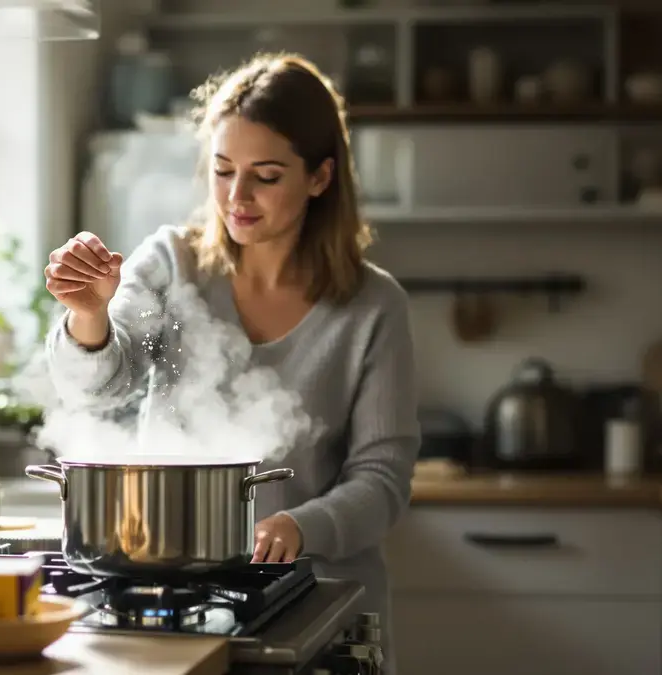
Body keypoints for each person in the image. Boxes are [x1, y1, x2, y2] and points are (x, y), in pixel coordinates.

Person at [41, 52, 420, 672]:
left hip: (322, 607)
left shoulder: (374, 306)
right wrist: (89, 316)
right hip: (178, 605)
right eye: (222, 170)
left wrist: (302, 526)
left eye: (266, 176)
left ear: (320, 177)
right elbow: (100, 391)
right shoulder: (170, 262)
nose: (236, 197)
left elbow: (382, 479)